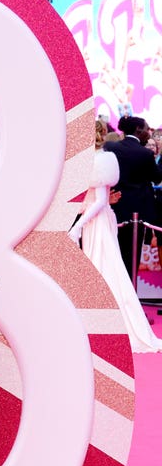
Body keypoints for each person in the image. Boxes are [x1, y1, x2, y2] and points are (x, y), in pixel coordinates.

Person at [69, 120, 162, 353]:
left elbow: (99, 199)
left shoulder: (104, 158)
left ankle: (110, 326)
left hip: (97, 222)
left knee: (105, 270)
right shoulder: (103, 158)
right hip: (100, 218)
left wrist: (78, 225)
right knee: (103, 268)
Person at [104, 116, 162, 276]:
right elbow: (157, 177)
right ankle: (130, 287)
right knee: (132, 253)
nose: (148, 132)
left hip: (115, 206)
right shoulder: (144, 153)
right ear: (138, 130)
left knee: (116, 250)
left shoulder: (110, 147)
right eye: (147, 128)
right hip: (138, 210)